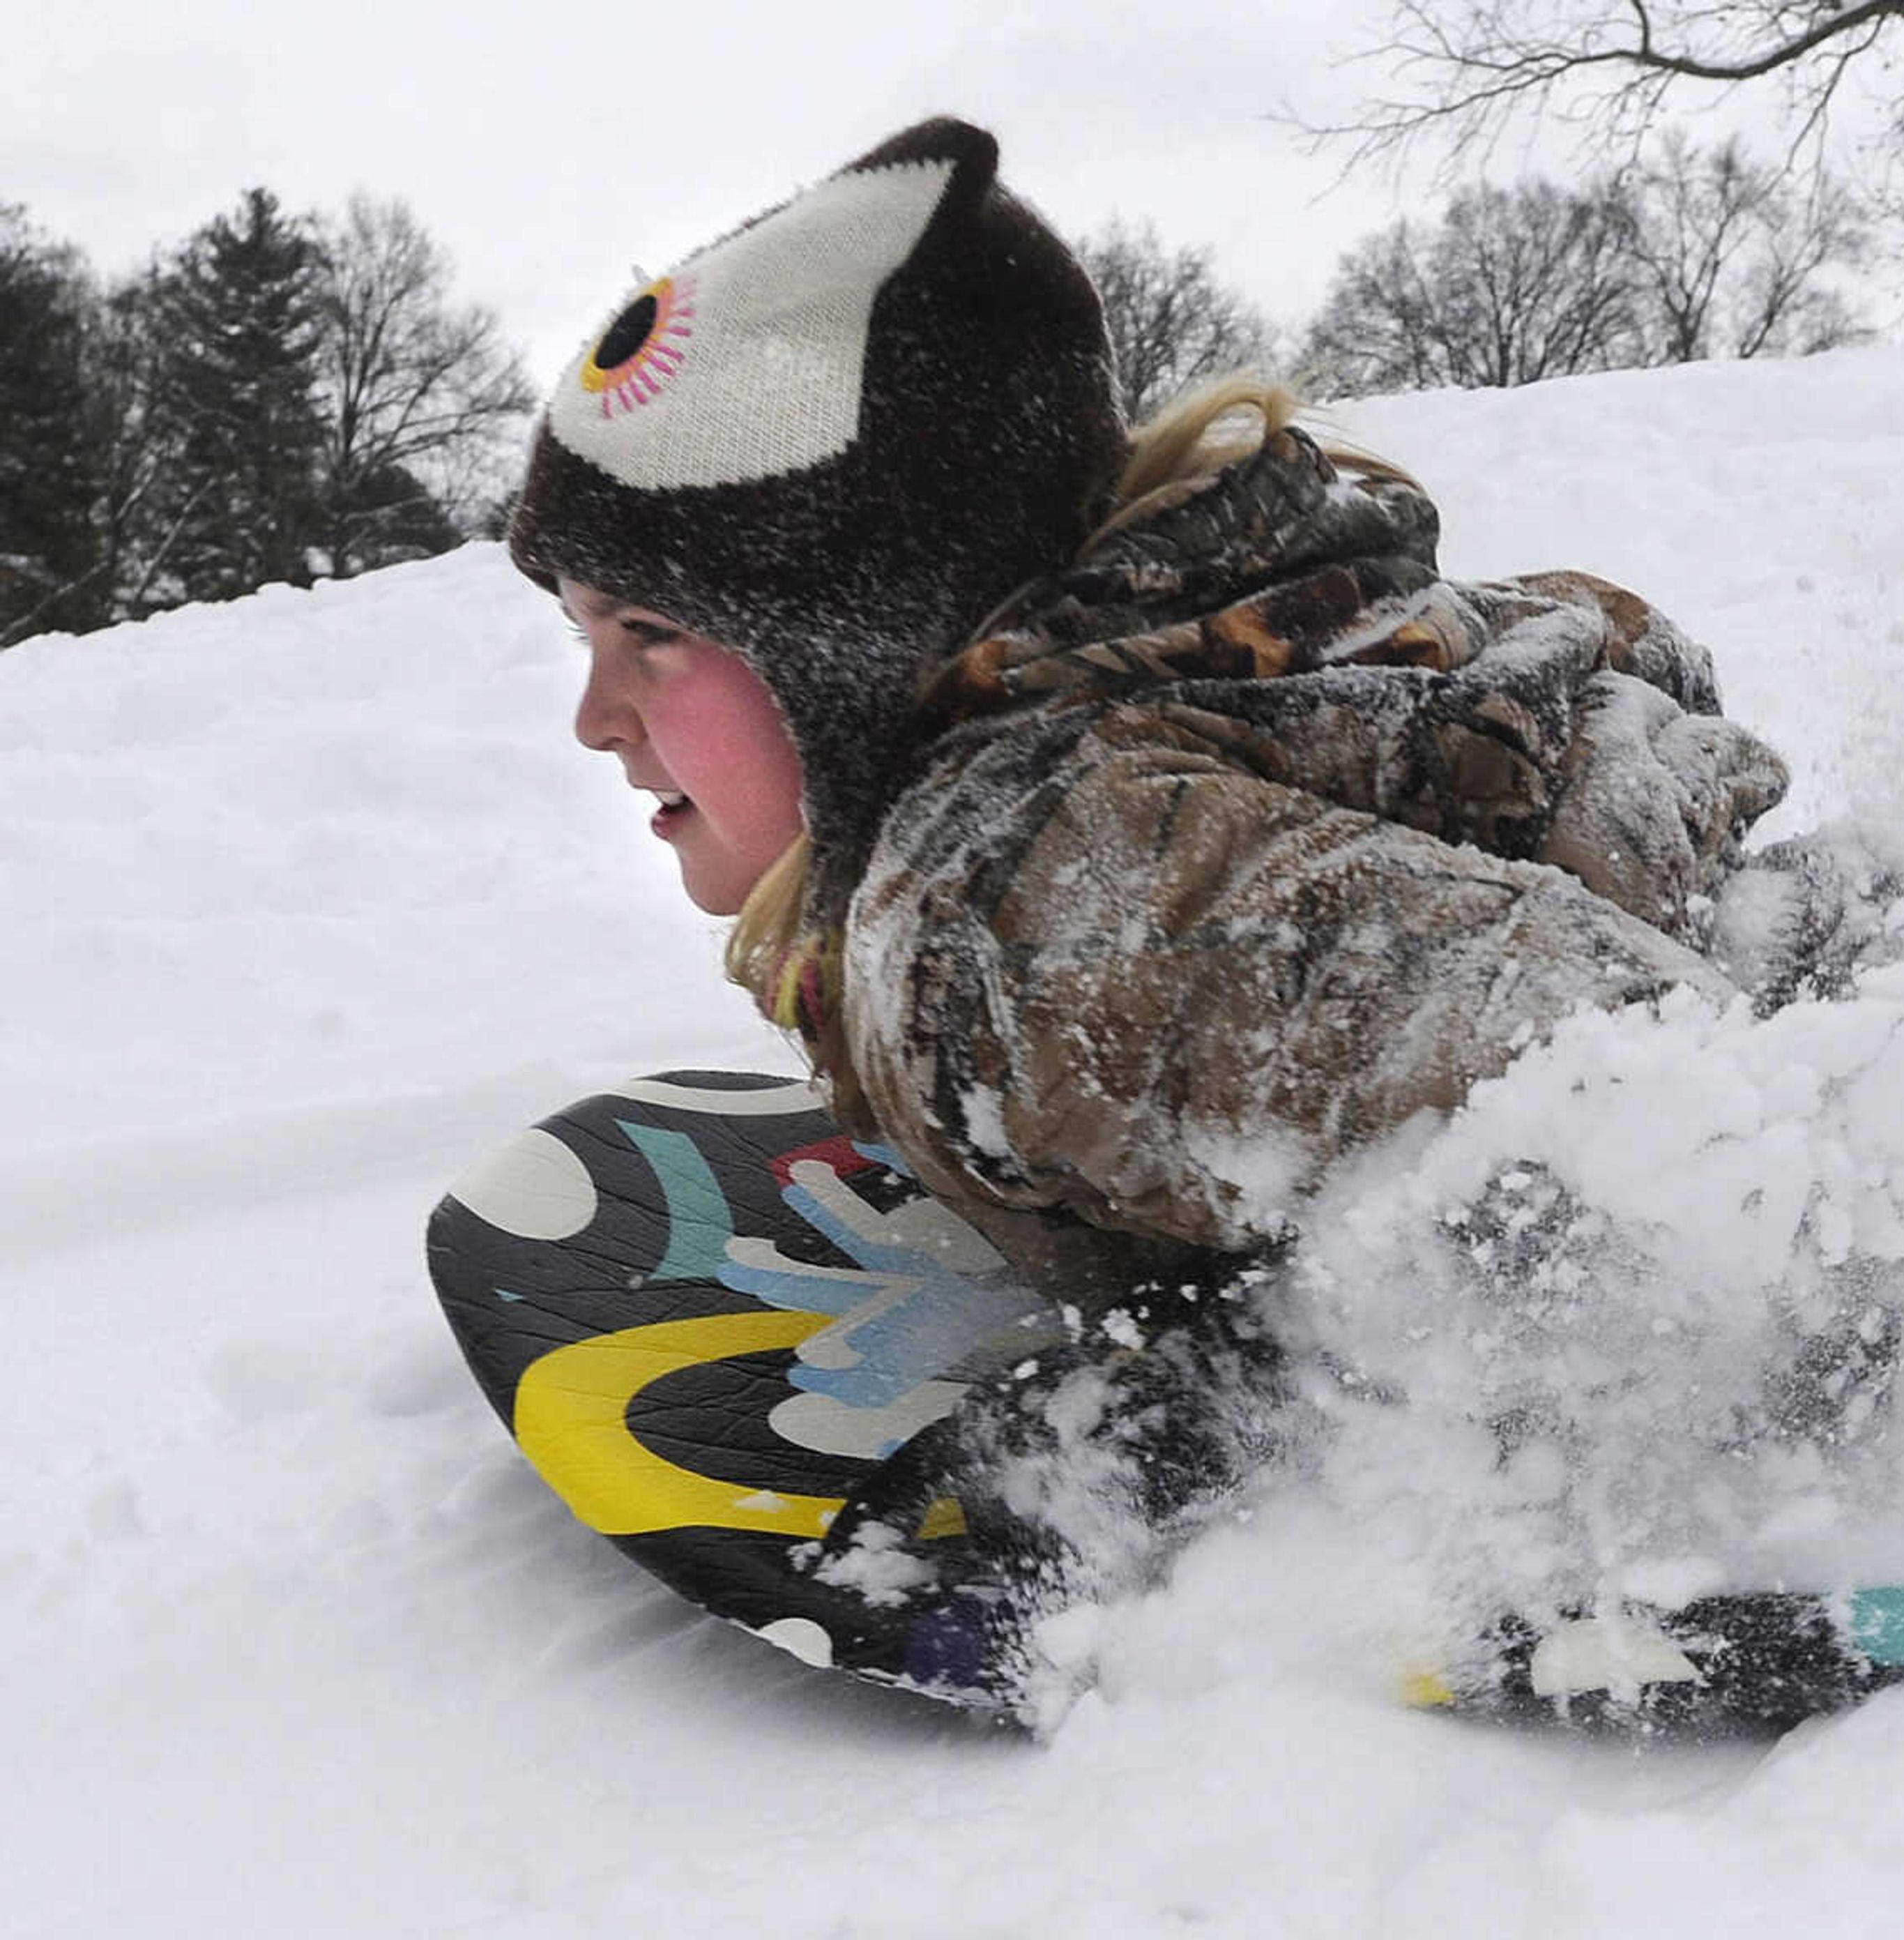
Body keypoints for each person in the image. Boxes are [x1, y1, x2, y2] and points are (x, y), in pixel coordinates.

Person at [507, 116, 1831, 1715]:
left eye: (653, 633)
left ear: (856, 634)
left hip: (1892, 1216)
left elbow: (1657, 1108)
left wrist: (1275, 1396)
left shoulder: (1017, 917)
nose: (597, 714)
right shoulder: (1117, 747)